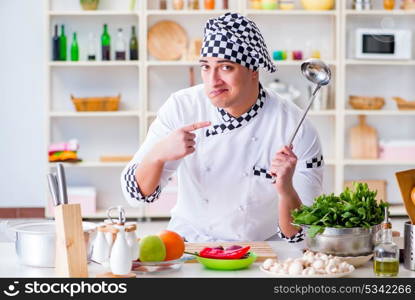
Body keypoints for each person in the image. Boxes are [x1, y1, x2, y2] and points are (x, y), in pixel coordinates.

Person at [121, 13, 324, 243]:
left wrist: (286, 190)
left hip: (262, 249)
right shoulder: (182, 107)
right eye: (206, 67)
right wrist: (158, 154)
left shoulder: (296, 126)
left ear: (253, 71)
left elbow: (305, 234)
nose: (212, 81)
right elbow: (134, 195)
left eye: (226, 67)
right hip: (189, 243)